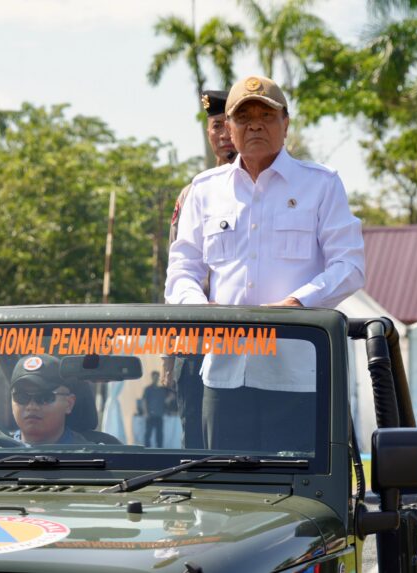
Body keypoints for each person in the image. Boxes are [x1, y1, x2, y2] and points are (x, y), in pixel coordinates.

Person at [165, 75, 365, 452]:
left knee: (300, 499)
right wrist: (199, 309)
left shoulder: (321, 184)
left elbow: (349, 265)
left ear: (285, 124)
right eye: (244, 117)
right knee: (224, 498)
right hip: (223, 376)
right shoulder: (205, 190)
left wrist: (297, 306)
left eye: (266, 115)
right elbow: (182, 269)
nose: (255, 124)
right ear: (229, 128)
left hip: (298, 376)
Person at [162, 90, 237, 450]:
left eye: (228, 124)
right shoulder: (194, 192)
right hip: (197, 343)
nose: (223, 134)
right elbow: (179, 269)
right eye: (216, 126)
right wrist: (169, 349)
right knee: (196, 446)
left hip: (251, 340)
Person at [10, 355, 90, 446]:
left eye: (45, 397)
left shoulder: (92, 456)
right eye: (21, 396)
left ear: (69, 404)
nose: (31, 406)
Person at [142, 371, 169, 448]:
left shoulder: (162, 390)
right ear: (152, 377)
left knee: (159, 433)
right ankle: (146, 448)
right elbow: (144, 401)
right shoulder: (148, 389)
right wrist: (145, 412)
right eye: (154, 377)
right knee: (148, 433)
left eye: (157, 377)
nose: (156, 379)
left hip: (159, 414)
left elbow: (166, 400)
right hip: (150, 415)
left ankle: (159, 448)